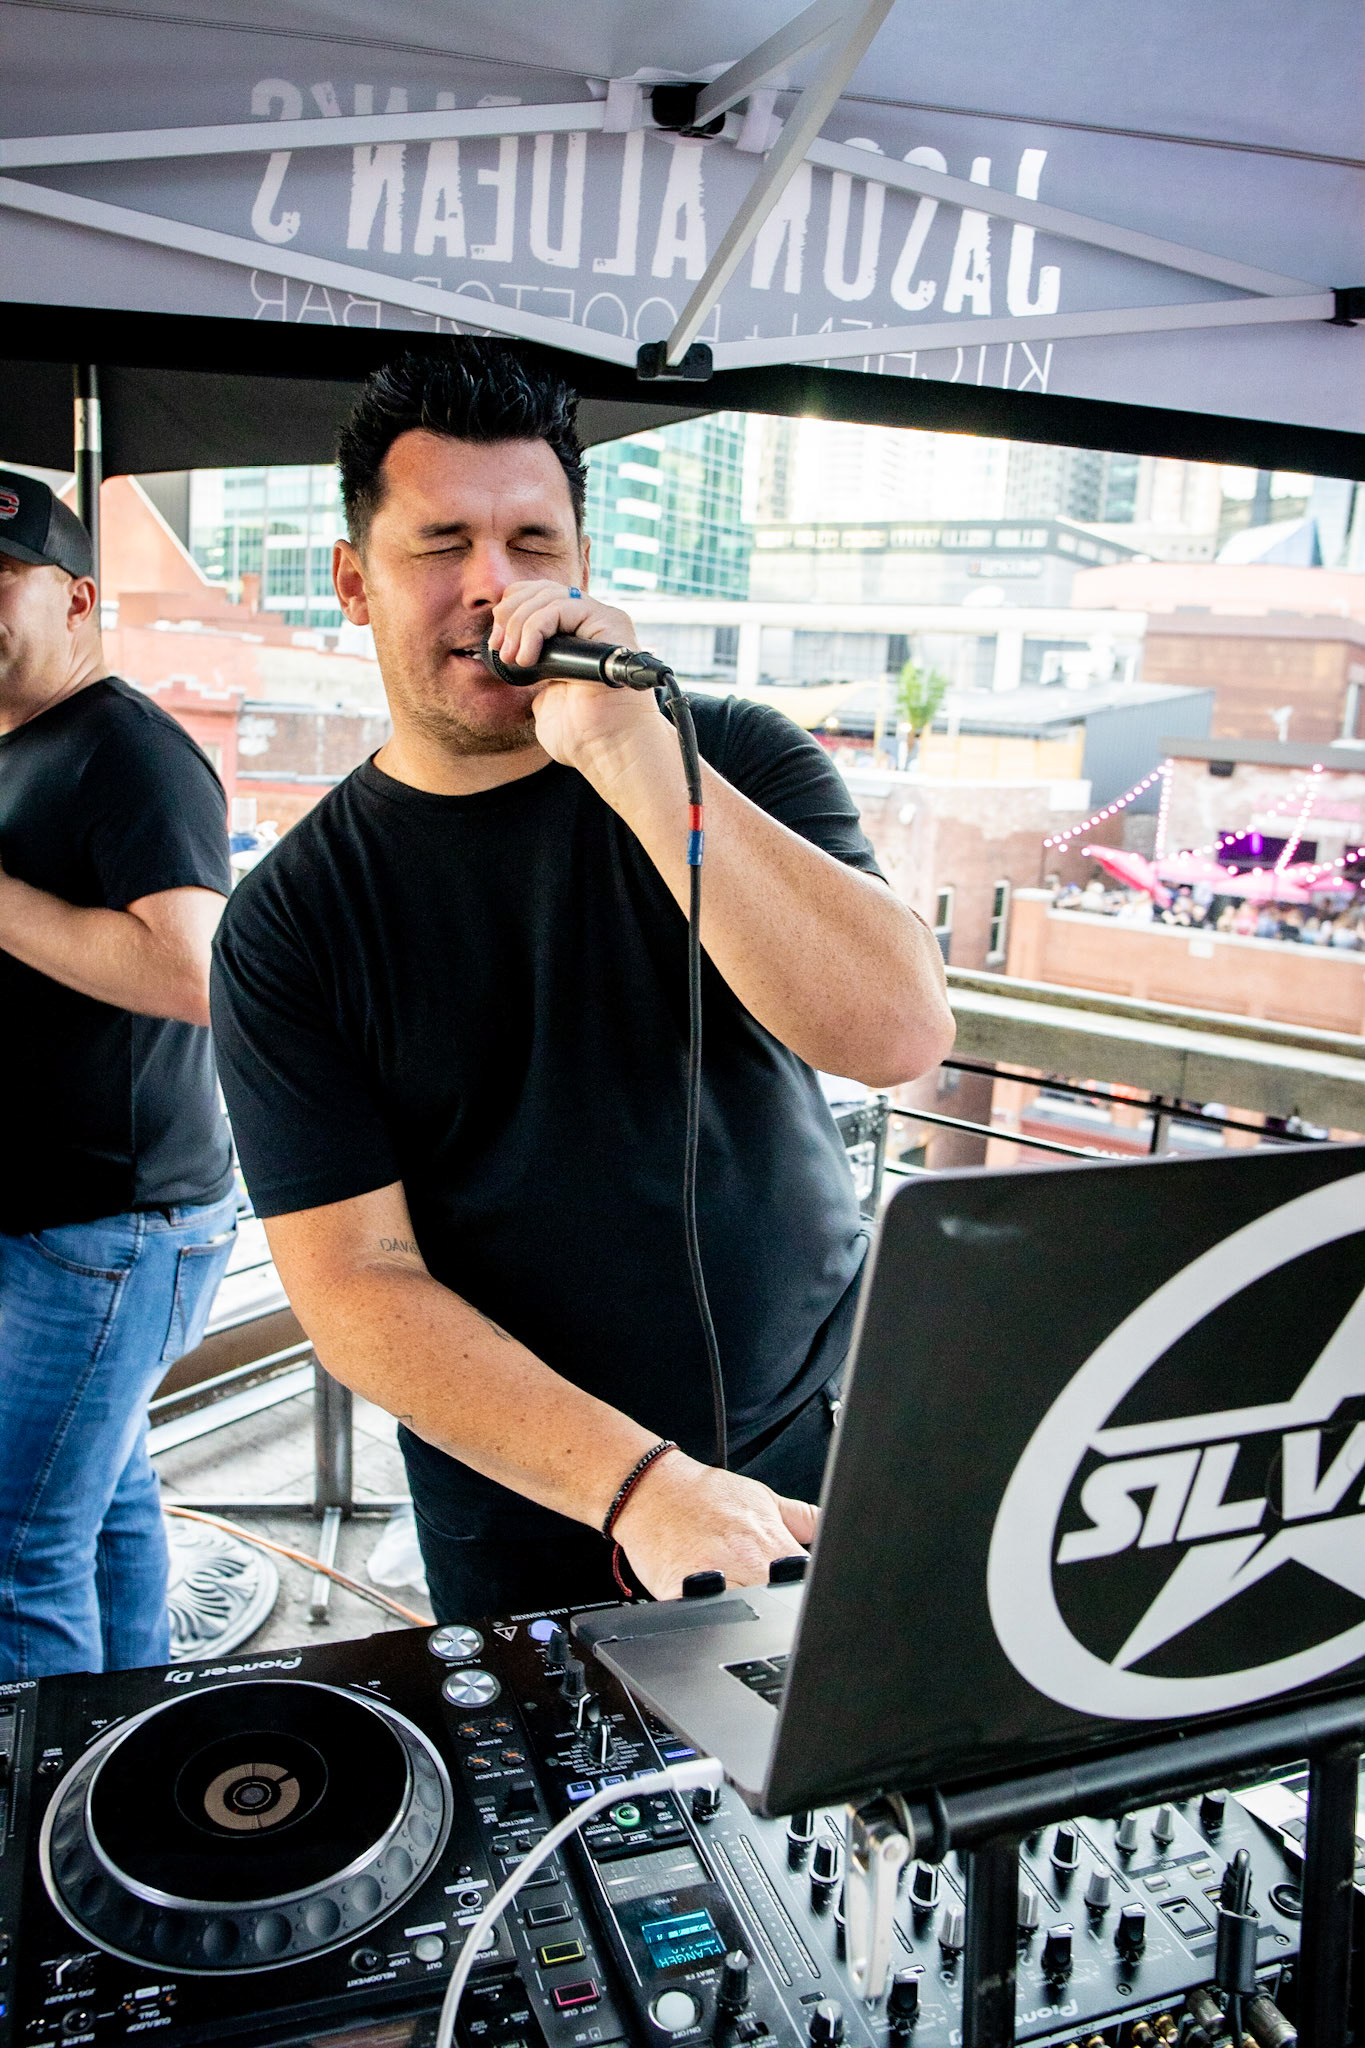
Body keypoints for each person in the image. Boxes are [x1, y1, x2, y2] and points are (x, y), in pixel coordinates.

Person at [210, 345, 954, 1619]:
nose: (494, 585)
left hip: (824, 1428)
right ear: (354, 581)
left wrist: (636, 759)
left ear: (582, 565)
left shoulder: (730, 752)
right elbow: (357, 1280)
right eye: (442, 543)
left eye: (532, 543)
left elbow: (895, 1033)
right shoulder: (294, 917)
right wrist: (640, 1484)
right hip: (539, 1498)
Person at [0, 470, 238, 1678]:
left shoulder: (130, 751)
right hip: (69, 1212)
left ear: (78, 598)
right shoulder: (28, 743)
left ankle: (35, 1785)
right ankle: (126, 1730)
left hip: (110, 1223)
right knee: (99, 1502)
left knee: (16, 1546)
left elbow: (194, 973)